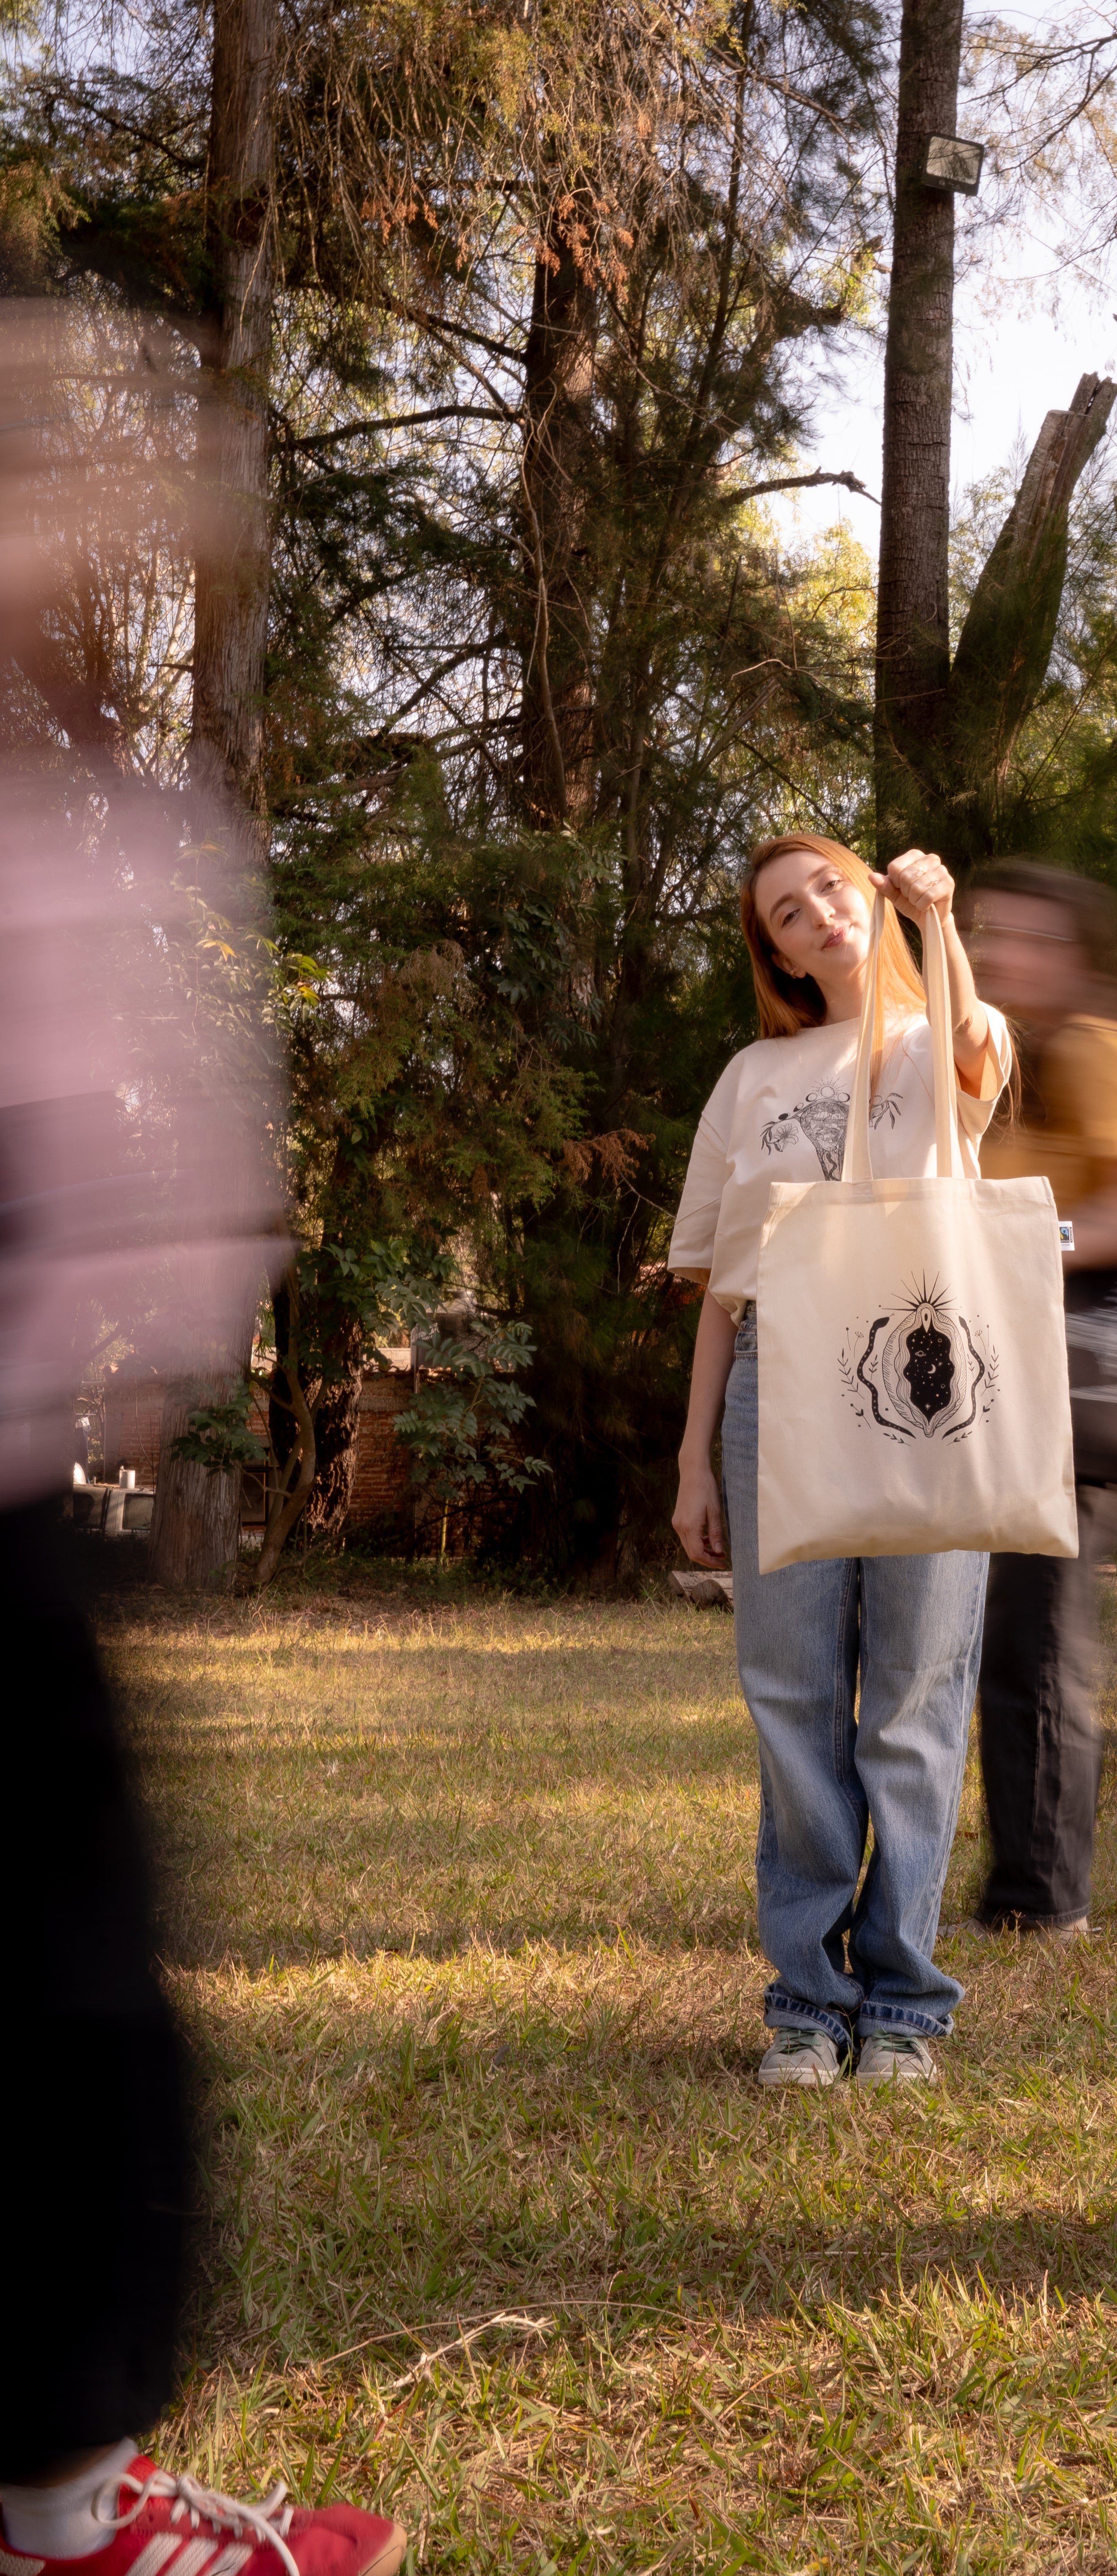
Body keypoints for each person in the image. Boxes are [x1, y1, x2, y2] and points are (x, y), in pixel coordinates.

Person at [0, 307, 406, 2576]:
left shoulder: (100, 816)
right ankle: (74, 2514)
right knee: (65, 2017)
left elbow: (179, 1199)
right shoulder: (83, 820)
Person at [669, 834, 1012, 2088]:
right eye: (783, 914)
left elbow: (976, 1069)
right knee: (794, 1696)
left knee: (917, 1697)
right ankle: (807, 2007)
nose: (814, 915)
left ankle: (906, 2010)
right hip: (780, 1380)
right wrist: (694, 1461)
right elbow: (715, 1287)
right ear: (772, 952)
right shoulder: (752, 1075)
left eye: (829, 887)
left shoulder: (947, 1026)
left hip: (928, 1367)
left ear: (871, 890)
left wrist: (940, 928)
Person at [962, 863, 1117, 1937]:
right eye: (987, 936)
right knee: (1020, 1632)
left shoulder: (1099, 1049)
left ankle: (1038, 1900)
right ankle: (1036, 1860)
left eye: (1029, 939)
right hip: (1031, 1385)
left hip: (1088, 1388)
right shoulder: (1010, 1061)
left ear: (1078, 956)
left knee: (1038, 1634)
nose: (1002, 958)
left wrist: (1022, 1238)